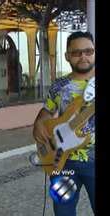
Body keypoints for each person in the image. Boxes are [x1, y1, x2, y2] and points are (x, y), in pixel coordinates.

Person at [33, 31, 95, 215]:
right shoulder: (58, 85)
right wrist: (39, 124)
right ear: (67, 56)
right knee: (63, 213)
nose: (83, 56)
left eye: (88, 51)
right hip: (62, 163)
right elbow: (46, 113)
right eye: (76, 53)